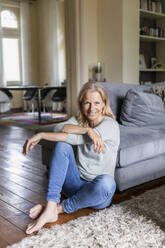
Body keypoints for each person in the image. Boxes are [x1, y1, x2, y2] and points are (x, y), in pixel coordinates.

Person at [23, 81, 120, 234]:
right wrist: (88, 130)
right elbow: (59, 128)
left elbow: (72, 138)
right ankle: (51, 203)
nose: (91, 108)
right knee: (63, 146)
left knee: (108, 183)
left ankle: (56, 209)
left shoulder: (110, 125)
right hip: (75, 185)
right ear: (81, 104)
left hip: (97, 193)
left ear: (103, 104)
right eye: (87, 103)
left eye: (96, 103)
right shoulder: (81, 121)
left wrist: (42, 135)